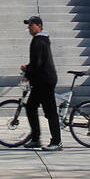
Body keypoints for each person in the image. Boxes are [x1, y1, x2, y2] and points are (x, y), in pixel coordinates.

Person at [21, 15, 62, 149]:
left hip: (44, 80)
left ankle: (56, 142)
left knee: (50, 111)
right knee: (31, 107)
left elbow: (37, 63)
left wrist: (27, 73)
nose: (29, 27)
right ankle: (36, 138)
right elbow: (37, 62)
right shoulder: (41, 40)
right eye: (29, 25)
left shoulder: (38, 41)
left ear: (39, 26)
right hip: (42, 80)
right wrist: (28, 68)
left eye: (31, 25)